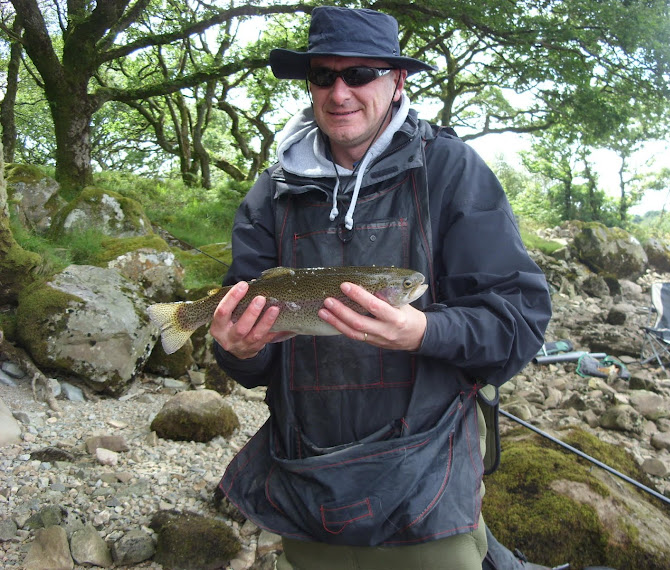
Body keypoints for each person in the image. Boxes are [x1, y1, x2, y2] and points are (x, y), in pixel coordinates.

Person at [211, 6, 552, 570]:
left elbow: (519, 322)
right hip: (306, 483)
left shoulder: (451, 171)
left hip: (427, 488)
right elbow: (252, 357)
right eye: (324, 75)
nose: (339, 92)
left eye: (360, 74)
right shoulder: (271, 193)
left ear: (397, 82)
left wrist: (425, 332)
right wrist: (238, 350)